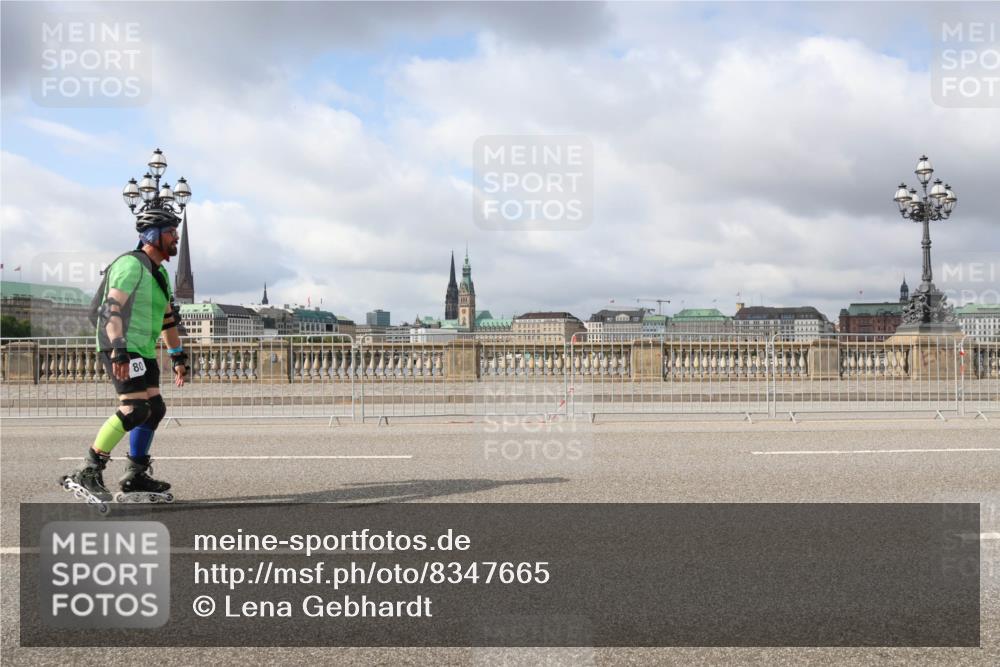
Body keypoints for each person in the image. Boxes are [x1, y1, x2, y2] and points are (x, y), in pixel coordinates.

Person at [61, 208, 188, 505]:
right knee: (134, 409)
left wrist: (177, 356)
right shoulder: (130, 264)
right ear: (152, 235)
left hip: (143, 349)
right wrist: (118, 349)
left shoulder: (160, 274)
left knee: (154, 409)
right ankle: (88, 469)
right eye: (171, 232)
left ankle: (135, 475)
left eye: (176, 232)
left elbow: (168, 320)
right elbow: (111, 308)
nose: (176, 237)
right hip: (120, 345)